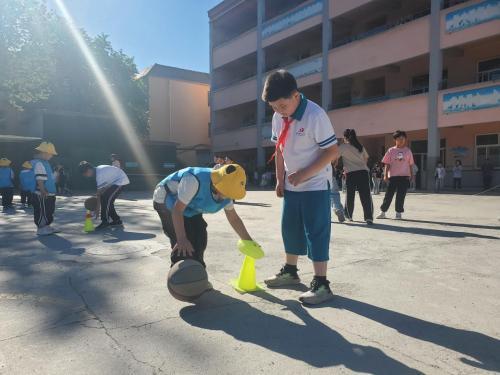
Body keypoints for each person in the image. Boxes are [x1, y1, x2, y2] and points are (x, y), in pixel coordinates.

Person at [261, 70, 339, 305]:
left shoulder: (316, 115)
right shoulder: (279, 117)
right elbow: (279, 150)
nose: (279, 111)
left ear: (296, 95)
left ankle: (321, 283)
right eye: (274, 107)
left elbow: (333, 152)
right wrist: (279, 178)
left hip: (315, 183)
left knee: (316, 231)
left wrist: (304, 174)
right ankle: (290, 272)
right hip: (292, 185)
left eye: (282, 105)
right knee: (290, 228)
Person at [152, 164, 258, 268]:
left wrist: (249, 241)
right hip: (166, 200)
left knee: (200, 237)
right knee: (184, 246)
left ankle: (198, 273)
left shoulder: (228, 192)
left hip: (190, 206)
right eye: (226, 192)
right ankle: (181, 278)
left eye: (230, 194)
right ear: (218, 184)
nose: (227, 197)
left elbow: (233, 218)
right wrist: (181, 238)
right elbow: (177, 210)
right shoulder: (193, 180)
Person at [79, 161, 130, 230]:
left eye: (84, 174)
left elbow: (99, 195)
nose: (85, 176)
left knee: (106, 200)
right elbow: (100, 193)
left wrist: (97, 212)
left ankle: (105, 222)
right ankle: (117, 220)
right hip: (113, 182)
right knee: (107, 201)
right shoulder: (97, 171)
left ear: (89, 170)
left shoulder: (100, 174)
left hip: (121, 181)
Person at [376, 130, 414, 220]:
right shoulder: (391, 150)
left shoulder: (408, 151)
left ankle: (398, 213)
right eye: (399, 138)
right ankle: (383, 212)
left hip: (404, 177)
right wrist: (385, 175)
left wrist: (412, 175)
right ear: (395, 140)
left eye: (403, 139)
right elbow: (387, 164)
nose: (401, 140)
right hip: (393, 176)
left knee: (401, 195)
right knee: (388, 195)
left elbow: (410, 164)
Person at [339, 129, 373, 224]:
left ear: (345, 137)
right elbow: (366, 158)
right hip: (363, 172)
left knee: (350, 195)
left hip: (351, 173)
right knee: (366, 195)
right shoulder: (360, 146)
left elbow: (334, 156)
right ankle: (368, 217)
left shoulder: (343, 147)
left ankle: (349, 216)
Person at [31, 142, 59, 235]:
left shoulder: (45, 162)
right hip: (42, 193)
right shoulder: (39, 163)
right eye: (51, 154)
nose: (51, 156)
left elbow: (49, 177)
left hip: (49, 193)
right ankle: (41, 228)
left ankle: (47, 226)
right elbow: (39, 178)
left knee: (49, 210)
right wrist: (42, 189)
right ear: (44, 153)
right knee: (42, 210)